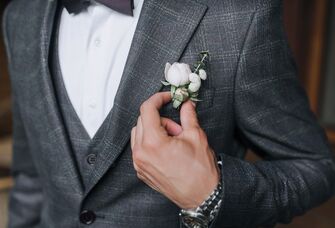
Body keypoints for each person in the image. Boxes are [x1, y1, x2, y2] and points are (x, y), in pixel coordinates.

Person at [3, 0, 335, 227]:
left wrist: (211, 193)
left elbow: (315, 166)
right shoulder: (21, 17)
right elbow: (31, 175)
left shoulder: (238, 15)